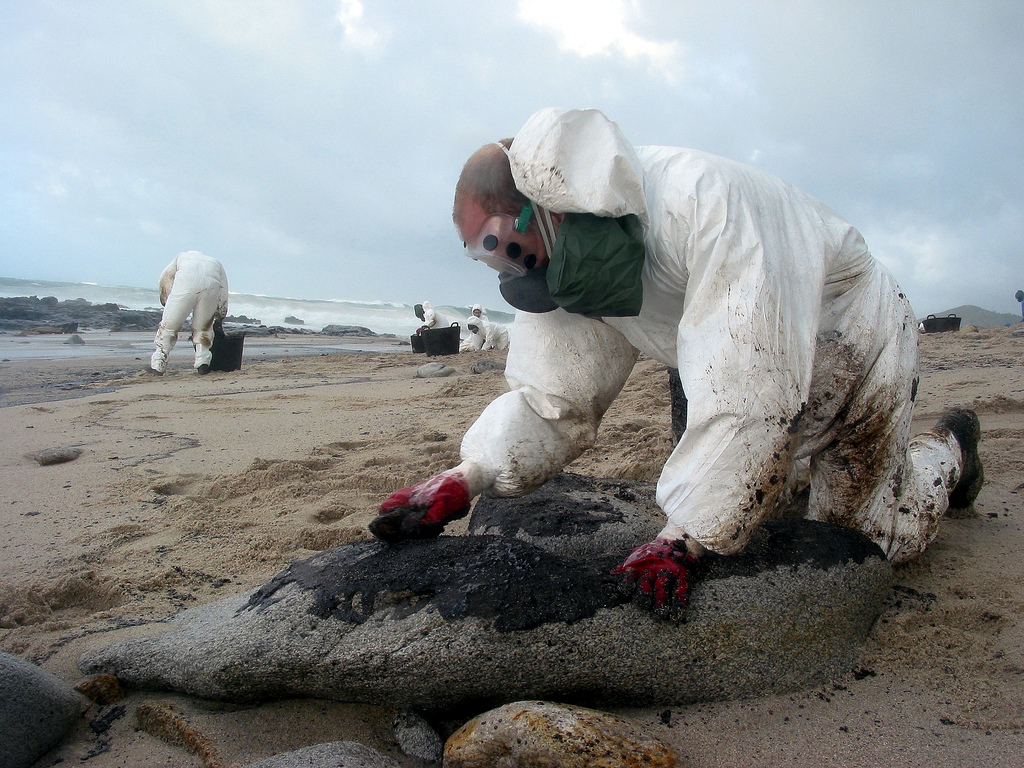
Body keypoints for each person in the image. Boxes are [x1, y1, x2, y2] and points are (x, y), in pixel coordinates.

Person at [369, 108, 983, 622]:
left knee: (866, 541)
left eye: (495, 244)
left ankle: (948, 453)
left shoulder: (703, 204)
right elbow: (553, 398)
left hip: (849, 339)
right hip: (730, 362)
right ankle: (784, 477)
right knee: (768, 504)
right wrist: (468, 475)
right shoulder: (576, 261)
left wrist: (681, 541)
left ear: (539, 206)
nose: (502, 268)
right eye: (482, 258)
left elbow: (751, 387)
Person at [151, 251, 229, 375]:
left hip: (185, 285)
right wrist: (221, 314)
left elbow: (165, 278)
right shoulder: (216, 263)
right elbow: (223, 288)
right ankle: (203, 363)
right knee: (203, 329)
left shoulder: (181, 257)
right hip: (210, 287)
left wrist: (165, 300)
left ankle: (158, 363)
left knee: (169, 327)